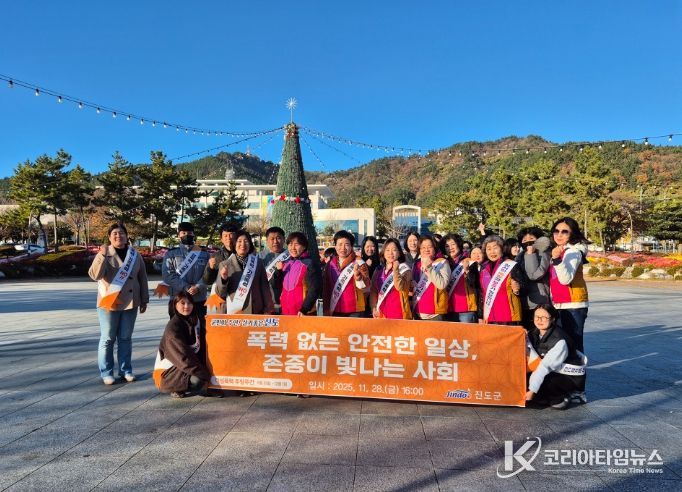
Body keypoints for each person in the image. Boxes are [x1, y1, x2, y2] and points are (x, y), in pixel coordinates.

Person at [88, 223, 148, 385]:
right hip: (109, 302)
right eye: (114, 233)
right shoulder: (104, 253)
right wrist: (102, 255)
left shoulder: (135, 255)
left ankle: (125, 370)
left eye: (121, 233)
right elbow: (94, 275)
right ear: (109, 237)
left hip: (131, 302)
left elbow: (142, 278)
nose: (118, 236)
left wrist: (144, 299)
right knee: (108, 338)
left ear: (127, 236)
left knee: (125, 338)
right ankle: (106, 372)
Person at [162, 222, 210, 360]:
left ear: (194, 234)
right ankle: (178, 360)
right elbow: (168, 275)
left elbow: (208, 275)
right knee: (177, 333)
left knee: (200, 332)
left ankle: (200, 361)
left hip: (198, 299)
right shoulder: (171, 254)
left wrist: (199, 286)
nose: (186, 235)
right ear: (178, 235)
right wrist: (186, 287)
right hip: (178, 300)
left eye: (189, 233)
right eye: (183, 233)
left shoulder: (203, 254)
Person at [526, 304, 587, 409]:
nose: (539, 320)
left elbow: (545, 366)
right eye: (537, 316)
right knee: (525, 381)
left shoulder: (559, 340)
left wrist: (532, 391)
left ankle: (563, 397)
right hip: (552, 370)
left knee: (540, 387)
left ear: (553, 319)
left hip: (568, 376)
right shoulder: (533, 333)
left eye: (544, 317)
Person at [153, 292, 210, 398]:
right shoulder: (173, 327)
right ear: (175, 305)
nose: (187, 306)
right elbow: (182, 358)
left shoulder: (195, 321)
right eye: (182, 303)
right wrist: (206, 375)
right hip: (167, 373)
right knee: (198, 380)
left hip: (185, 365)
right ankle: (176, 388)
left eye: (189, 303)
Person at [549, 217, 590, 355]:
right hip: (560, 303)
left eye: (564, 231)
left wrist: (556, 259)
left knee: (573, 346)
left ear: (572, 234)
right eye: (556, 231)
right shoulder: (561, 250)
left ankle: (577, 369)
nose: (559, 235)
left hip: (573, 305)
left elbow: (565, 279)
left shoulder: (573, 252)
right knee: (563, 345)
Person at [467, 235, 524, 325]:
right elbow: (481, 294)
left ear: (502, 248)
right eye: (488, 249)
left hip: (509, 316)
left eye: (495, 248)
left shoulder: (511, 265)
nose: (492, 252)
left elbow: (524, 288)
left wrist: (517, 290)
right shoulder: (483, 268)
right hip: (489, 316)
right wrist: (480, 316)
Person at [215, 230, 274, 314]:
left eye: (246, 241)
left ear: (250, 244)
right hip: (235, 310)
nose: (243, 244)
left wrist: (268, 308)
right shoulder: (224, 265)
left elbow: (265, 288)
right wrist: (223, 279)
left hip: (256, 310)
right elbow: (220, 293)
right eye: (239, 241)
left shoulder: (258, 263)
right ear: (234, 244)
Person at [322, 230, 370, 317]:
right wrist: (326, 309)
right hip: (334, 309)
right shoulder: (330, 264)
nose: (343, 248)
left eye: (347, 244)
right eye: (340, 244)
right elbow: (326, 288)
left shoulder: (359, 262)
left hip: (354, 310)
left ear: (351, 246)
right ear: (335, 246)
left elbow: (367, 287)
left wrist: (359, 279)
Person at [275, 232, 322, 316]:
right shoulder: (286, 263)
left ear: (304, 246)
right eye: (290, 244)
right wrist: (278, 271)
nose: (293, 247)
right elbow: (278, 286)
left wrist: (304, 309)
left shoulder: (310, 263)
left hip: (303, 313)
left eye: (296, 244)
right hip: (286, 311)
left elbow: (314, 289)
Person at [515, 227, 551, 331]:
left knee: (539, 332)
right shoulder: (519, 256)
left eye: (531, 238)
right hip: (523, 302)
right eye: (524, 240)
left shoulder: (543, 253)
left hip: (539, 301)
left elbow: (534, 275)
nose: (528, 242)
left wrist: (531, 255)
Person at [369, 238, 413, 319]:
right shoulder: (379, 269)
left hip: (400, 315)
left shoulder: (405, 269)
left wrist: (396, 270)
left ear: (399, 253)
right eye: (387, 250)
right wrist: (373, 307)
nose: (390, 253)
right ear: (383, 253)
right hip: (381, 314)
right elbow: (373, 291)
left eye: (394, 250)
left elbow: (400, 287)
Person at [411, 235, 451, 321]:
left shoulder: (442, 262)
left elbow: (442, 284)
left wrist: (429, 268)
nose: (426, 250)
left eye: (429, 247)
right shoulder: (416, 264)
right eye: (423, 247)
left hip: (435, 314)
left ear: (434, 248)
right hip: (417, 311)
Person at [441, 233, 477, 323]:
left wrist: (467, 271)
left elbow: (475, 283)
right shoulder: (442, 263)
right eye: (447, 246)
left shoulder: (469, 261)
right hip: (448, 307)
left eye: (453, 244)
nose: (450, 248)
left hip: (466, 308)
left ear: (459, 244)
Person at [259, 226, 288, 314]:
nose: (275, 241)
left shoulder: (290, 256)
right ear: (267, 241)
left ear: (284, 239)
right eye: (272, 239)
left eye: (278, 238)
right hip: (265, 303)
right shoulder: (259, 257)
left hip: (287, 302)